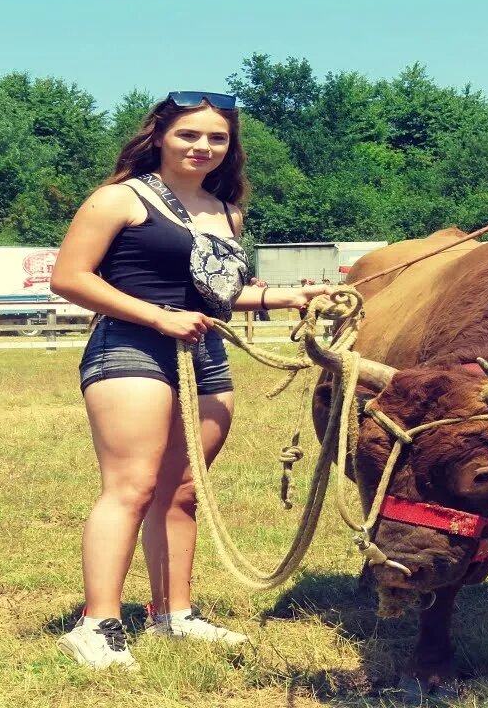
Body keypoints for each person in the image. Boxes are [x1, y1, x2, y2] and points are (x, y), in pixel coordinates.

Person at [49, 91, 331, 671]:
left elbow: (221, 295)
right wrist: (157, 316)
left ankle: (174, 614)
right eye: (190, 135)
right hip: (131, 346)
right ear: (159, 136)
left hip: (202, 355)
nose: (203, 147)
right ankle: (95, 624)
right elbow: (69, 278)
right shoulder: (119, 198)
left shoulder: (226, 211)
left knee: (182, 492)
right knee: (132, 487)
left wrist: (285, 295)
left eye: (217, 138)